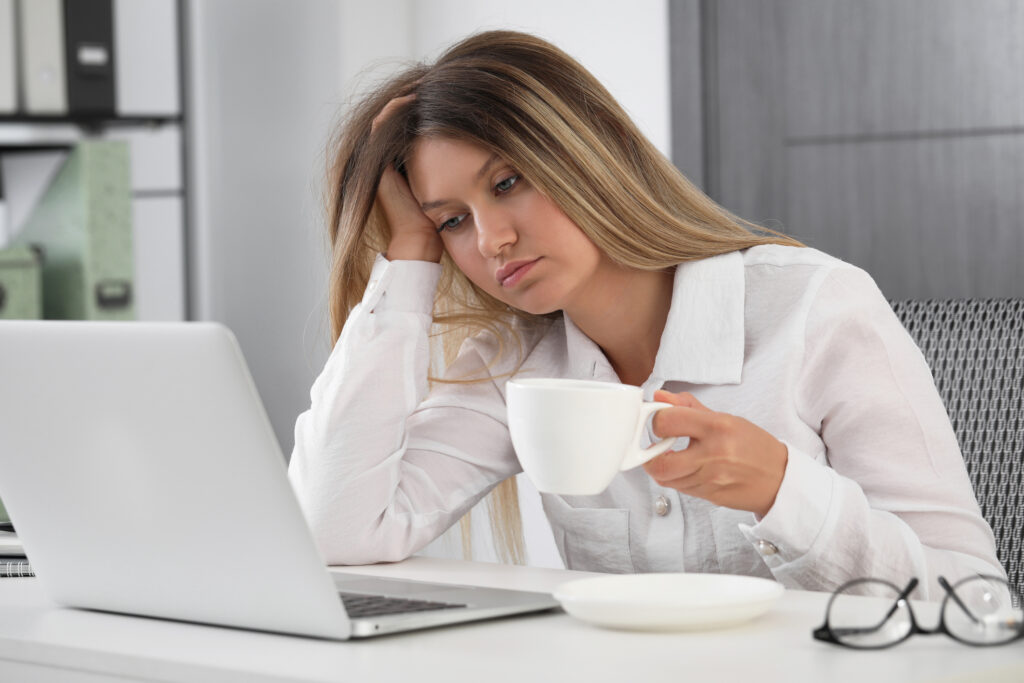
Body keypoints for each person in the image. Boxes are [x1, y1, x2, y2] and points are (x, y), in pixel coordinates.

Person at [288, 30, 1003, 599]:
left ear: (590, 148)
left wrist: (783, 490)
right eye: (451, 220)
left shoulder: (816, 309)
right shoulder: (513, 364)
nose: (490, 240)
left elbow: (977, 600)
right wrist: (408, 257)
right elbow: (332, 529)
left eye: (508, 182)